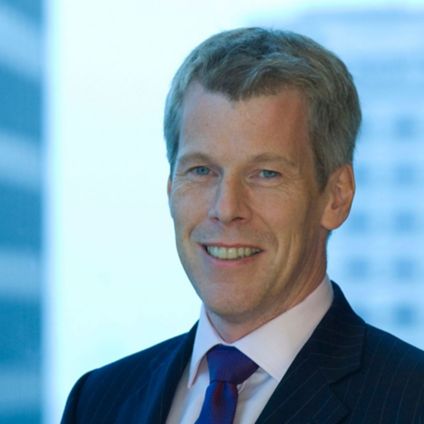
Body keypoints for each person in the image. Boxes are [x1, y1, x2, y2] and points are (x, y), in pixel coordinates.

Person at [61, 27, 424, 423]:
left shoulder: (411, 400)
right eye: (201, 170)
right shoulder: (97, 401)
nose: (226, 208)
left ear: (336, 196)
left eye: (266, 174)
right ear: (170, 188)